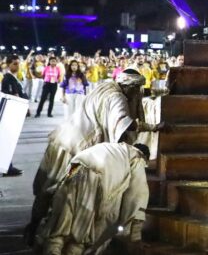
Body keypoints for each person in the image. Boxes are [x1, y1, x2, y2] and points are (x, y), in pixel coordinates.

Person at [26, 70, 147, 244]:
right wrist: (147, 130)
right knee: (65, 188)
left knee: (47, 187)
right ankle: (56, 237)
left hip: (61, 141)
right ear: (130, 87)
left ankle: (34, 225)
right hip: (76, 152)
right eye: (137, 89)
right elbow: (122, 125)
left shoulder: (105, 87)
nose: (138, 93)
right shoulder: (117, 98)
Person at [35, 141, 149, 255]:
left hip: (75, 166)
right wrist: (135, 235)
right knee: (81, 233)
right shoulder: (137, 158)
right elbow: (137, 195)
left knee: (61, 223)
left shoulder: (113, 147)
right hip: (94, 176)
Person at [1, 55, 27, 176]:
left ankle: (7, 166)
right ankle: (6, 167)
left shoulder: (14, 77)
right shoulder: (7, 78)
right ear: (8, 64)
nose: (17, 66)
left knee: (7, 142)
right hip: (9, 113)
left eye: (18, 63)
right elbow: (10, 95)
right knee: (6, 141)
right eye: (15, 64)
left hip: (14, 112)